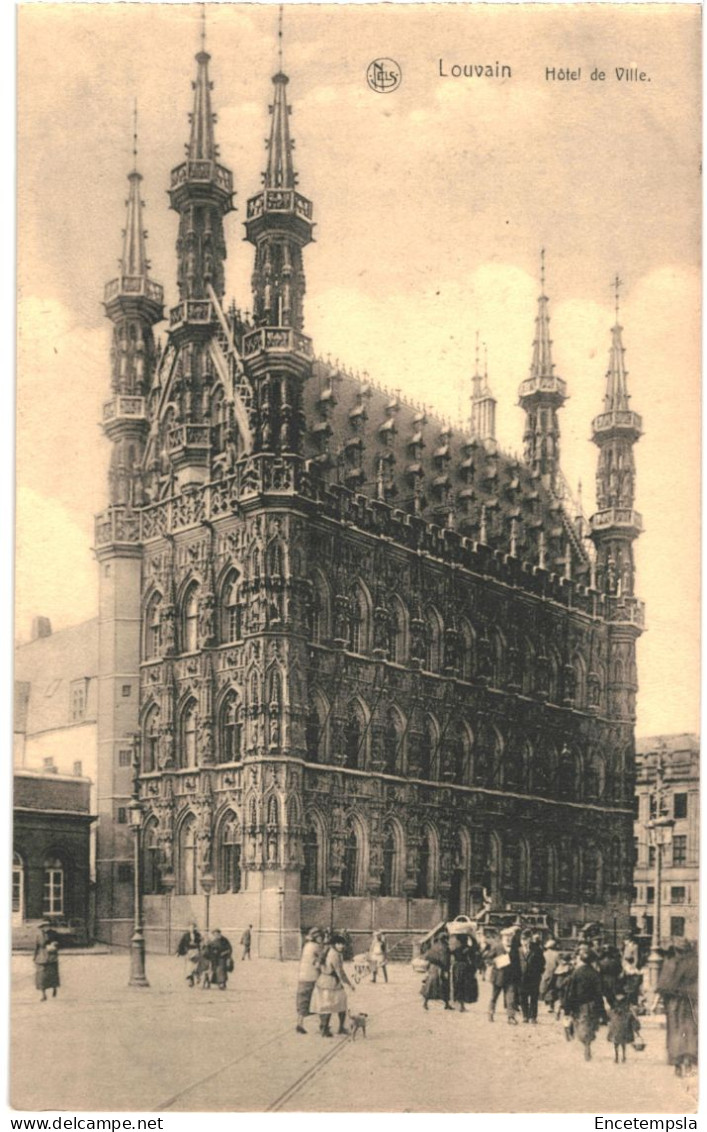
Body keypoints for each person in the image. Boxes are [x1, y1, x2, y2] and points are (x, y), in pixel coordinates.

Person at [655, 939, 698, 1077]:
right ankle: (689, 1061)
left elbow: (663, 985)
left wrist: (655, 1002)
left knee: (675, 1030)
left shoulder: (671, 962)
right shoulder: (695, 962)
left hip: (674, 1003)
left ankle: (677, 1063)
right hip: (691, 1001)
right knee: (690, 1030)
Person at [562, 944, 605, 1060]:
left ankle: (585, 1043)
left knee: (580, 1025)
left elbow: (570, 991)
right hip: (592, 1005)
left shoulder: (576, 973)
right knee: (590, 1025)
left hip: (578, 1005)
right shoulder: (595, 974)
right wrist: (602, 1011)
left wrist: (567, 1007)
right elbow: (599, 993)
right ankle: (588, 1044)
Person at [311, 933, 354, 1037]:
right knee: (332, 1005)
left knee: (329, 1005)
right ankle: (329, 1029)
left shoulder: (329, 951)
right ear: (334, 944)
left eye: (342, 944)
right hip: (331, 982)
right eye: (339, 944)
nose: (341, 946)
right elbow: (340, 972)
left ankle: (326, 1027)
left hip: (324, 981)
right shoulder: (334, 954)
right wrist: (349, 983)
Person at [488, 927, 521, 1024]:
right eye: (506, 937)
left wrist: (518, 976)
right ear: (502, 937)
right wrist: (496, 962)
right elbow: (488, 958)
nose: (508, 939)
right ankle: (491, 1013)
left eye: (510, 937)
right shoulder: (497, 947)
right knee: (494, 997)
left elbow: (517, 963)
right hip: (498, 977)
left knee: (511, 999)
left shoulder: (515, 949)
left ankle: (511, 1017)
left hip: (510, 978)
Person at [296, 928, 323, 1034]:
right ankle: (322, 1025)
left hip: (303, 977)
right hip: (313, 977)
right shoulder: (316, 947)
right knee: (318, 1000)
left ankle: (299, 1023)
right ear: (316, 938)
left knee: (303, 1001)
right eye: (320, 937)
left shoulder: (307, 946)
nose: (322, 938)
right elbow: (318, 964)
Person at [607, 991, 642, 1063]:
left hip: (617, 1019)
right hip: (623, 1019)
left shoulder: (614, 998)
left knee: (616, 1041)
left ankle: (617, 1057)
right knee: (622, 1041)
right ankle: (623, 1056)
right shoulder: (627, 997)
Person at [518, 931, 545, 1024]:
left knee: (533, 997)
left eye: (525, 939)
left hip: (534, 978)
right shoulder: (519, 950)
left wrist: (537, 973)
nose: (524, 942)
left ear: (530, 939)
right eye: (522, 940)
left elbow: (542, 963)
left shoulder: (537, 950)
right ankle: (525, 1016)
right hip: (521, 978)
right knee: (523, 997)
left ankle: (533, 1017)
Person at [421, 932, 452, 1011]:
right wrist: (446, 969)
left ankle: (425, 1003)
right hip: (441, 968)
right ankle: (446, 1004)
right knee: (444, 985)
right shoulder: (445, 948)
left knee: (430, 986)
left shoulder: (434, 947)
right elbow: (445, 960)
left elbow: (427, 956)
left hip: (433, 968)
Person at [449, 932, 480, 1012]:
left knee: (458, 985)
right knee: (464, 986)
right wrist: (472, 936)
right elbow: (476, 947)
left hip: (456, 968)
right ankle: (462, 1006)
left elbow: (450, 953)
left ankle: (459, 1004)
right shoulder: (468, 948)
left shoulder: (456, 949)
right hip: (465, 968)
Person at [33, 921, 60, 1002]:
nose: (45, 927)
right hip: (41, 957)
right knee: (41, 977)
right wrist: (34, 957)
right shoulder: (38, 935)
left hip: (51, 957)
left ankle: (54, 988)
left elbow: (60, 943)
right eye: (43, 926)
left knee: (53, 974)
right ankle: (43, 995)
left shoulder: (54, 933)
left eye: (47, 926)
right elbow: (36, 946)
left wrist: (55, 944)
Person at [176, 921, 202, 987]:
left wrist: (199, 944)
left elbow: (201, 943)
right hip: (189, 952)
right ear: (188, 928)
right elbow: (181, 943)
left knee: (195, 966)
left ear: (195, 928)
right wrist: (179, 952)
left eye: (193, 927)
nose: (192, 929)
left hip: (196, 951)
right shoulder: (185, 935)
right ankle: (191, 980)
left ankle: (196, 976)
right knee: (189, 966)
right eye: (190, 927)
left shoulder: (198, 935)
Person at [539, 938, 559, 1009]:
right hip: (554, 972)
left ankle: (546, 1002)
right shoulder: (556, 954)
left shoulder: (544, 954)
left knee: (545, 987)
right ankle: (551, 1005)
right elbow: (559, 963)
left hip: (545, 972)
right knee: (552, 988)